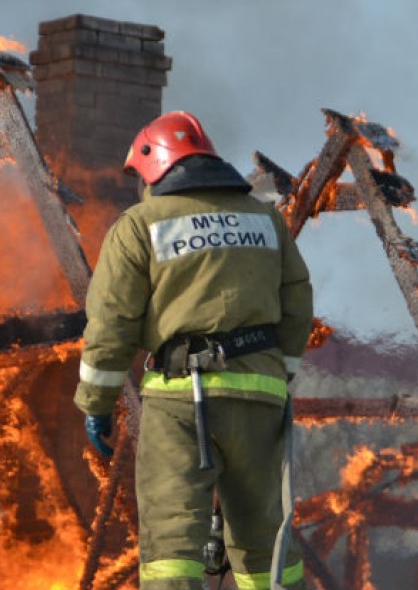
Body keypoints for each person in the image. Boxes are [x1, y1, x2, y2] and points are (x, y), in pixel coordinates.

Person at [74, 111, 312, 589]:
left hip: (181, 402)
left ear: (154, 165)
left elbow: (112, 321)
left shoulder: (141, 225)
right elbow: (297, 302)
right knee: (268, 543)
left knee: (172, 545)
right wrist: (277, 378)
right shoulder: (266, 219)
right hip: (260, 398)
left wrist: (97, 405)